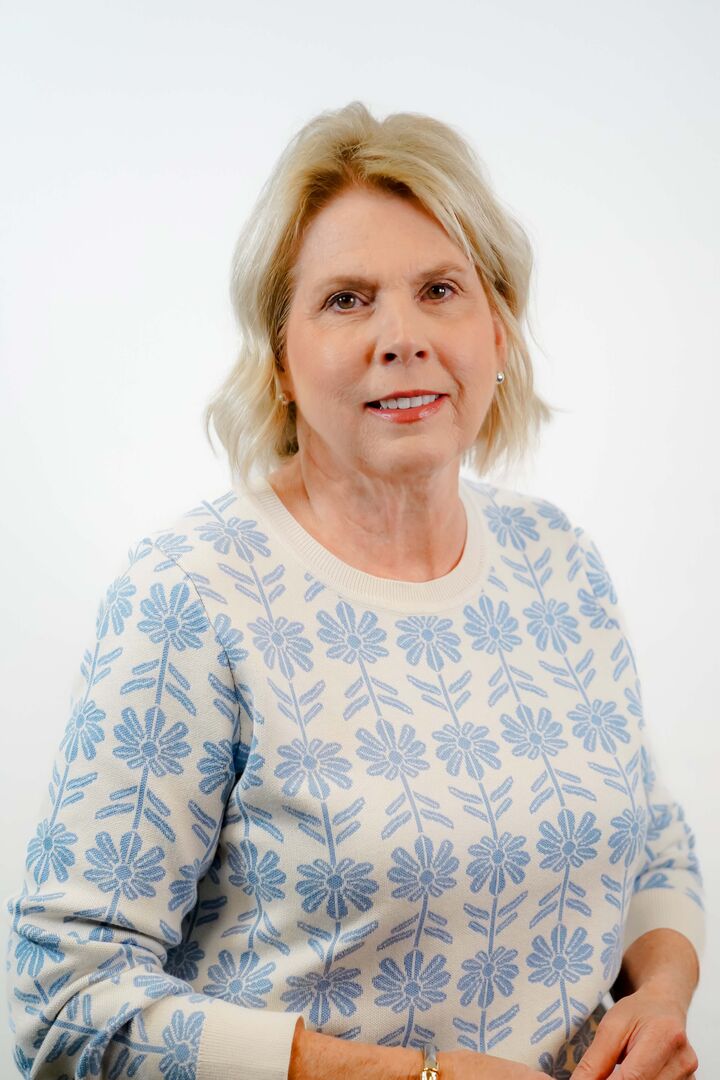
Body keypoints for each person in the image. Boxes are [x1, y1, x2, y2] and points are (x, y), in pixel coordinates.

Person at [5, 101, 703, 1080]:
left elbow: (651, 846)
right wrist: (411, 1077)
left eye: (440, 289)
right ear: (280, 361)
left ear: (498, 331)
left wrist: (661, 996)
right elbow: (62, 999)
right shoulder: (189, 598)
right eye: (346, 299)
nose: (402, 336)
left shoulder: (560, 562)